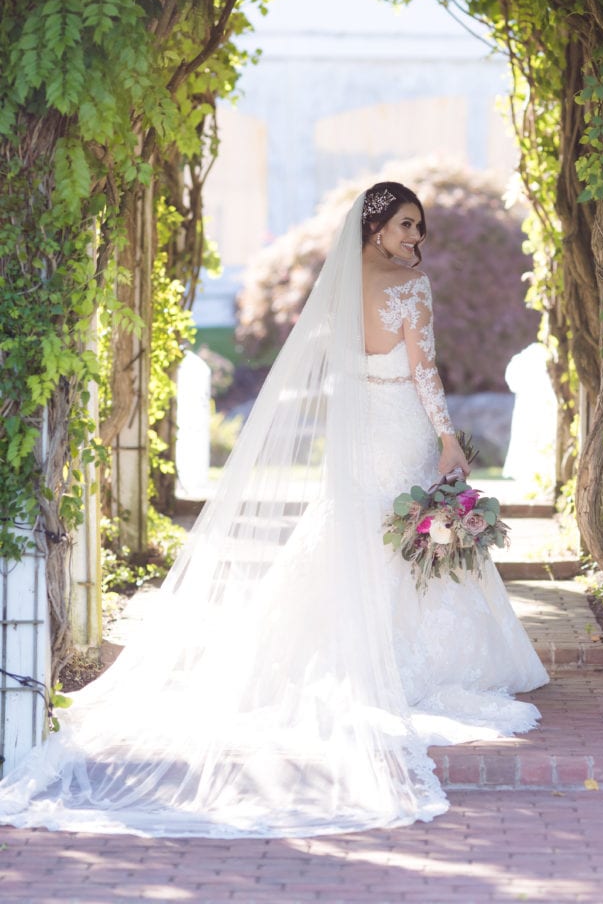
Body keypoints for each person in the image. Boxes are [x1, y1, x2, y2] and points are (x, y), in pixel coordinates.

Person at [0, 183, 547, 840]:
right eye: (405, 226)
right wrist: (450, 436)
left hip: (355, 427)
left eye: (417, 229)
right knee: (402, 528)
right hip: (399, 418)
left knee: (363, 526)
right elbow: (424, 370)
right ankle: (416, 660)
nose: (414, 239)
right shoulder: (410, 286)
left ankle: (332, 650)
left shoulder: (340, 284)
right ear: (374, 227)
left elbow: (332, 369)